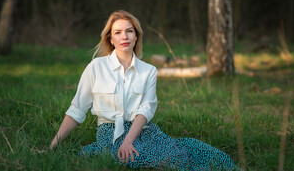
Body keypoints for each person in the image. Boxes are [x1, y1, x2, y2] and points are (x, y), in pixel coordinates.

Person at [50, 10, 241, 170]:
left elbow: (146, 110)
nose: (124, 36)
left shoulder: (148, 71)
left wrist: (128, 141)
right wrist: (52, 147)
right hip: (109, 134)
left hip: (143, 131)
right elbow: (77, 109)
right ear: (110, 37)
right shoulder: (96, 67)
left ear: (136, 36)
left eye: (129, 31)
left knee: (185, 156)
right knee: (138, 159)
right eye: (117, 32)